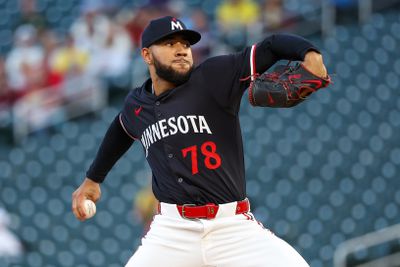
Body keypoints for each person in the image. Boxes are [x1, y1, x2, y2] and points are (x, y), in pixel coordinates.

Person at [72, 16, 328, 266]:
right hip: (172, 231)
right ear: (147, 55)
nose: (182, 50)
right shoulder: (137, 104)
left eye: (185, 44)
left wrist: (310, 53)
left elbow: (271, 46)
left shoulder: (214, 76)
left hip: (231, 226)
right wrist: (93, 179)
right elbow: (120, 129)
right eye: (170, 44)